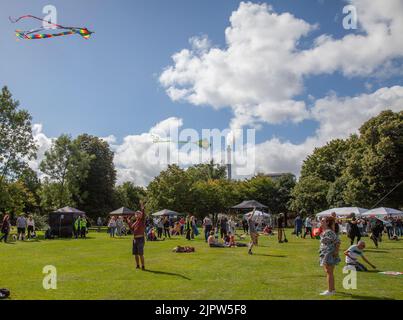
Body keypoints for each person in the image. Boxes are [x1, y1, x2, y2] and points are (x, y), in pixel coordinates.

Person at [319, 216, 340, 296]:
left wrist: (336, 252)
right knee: (329, 272)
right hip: (326, 253)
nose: (321, 221)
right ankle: (332, 290)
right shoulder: (326, 231)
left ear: (327, 222)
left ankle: (330, 291)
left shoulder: (329, 231)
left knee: (329, 272)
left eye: (323, 220)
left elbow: (337, 242)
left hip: (329, 253)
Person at [126, 201, 147, 270]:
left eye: (138, 214)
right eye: (136, 214)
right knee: (135, 254)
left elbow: (144, 213)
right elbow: (132, 229)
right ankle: (138, 265)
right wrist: (128, 222)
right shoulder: (135, 222)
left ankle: (143, 266)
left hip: (141, 239)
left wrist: (142, 207)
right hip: (135, 239)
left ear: (141, 215)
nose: (137, 215)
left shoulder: (142, 220)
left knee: (141, 253)